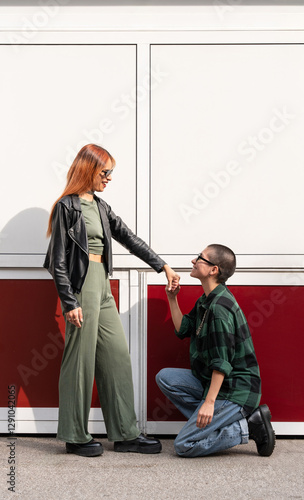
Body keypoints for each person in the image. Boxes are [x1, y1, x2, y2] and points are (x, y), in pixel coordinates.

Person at [44, 143, 179, 457]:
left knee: (117, 357)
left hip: (102, 284)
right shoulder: (68, 206)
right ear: (89, 169)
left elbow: (128, 237)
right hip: (82, 286)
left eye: (110, 173)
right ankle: (75, 436)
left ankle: (125, 434)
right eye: (105, 172)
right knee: (80, 361)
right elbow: (57, 260)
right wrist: (69, 301)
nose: (109, 178)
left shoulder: (100, 207)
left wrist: (162, 265)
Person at [156, 244, 275, 458]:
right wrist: (172, 298)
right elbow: (183, 328)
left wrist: (209, 403)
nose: (193, 261)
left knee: (184, 445)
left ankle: (246, 426)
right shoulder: (206, 300)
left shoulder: (219, 308)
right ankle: (217, 422)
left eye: (199, 258)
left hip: (234, 390)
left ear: (213, 270)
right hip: (213, 383)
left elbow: (222, 362)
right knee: (165, 378)